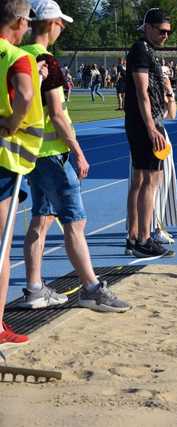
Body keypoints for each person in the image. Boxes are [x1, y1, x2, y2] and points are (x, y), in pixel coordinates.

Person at [19, 0, 130, 313]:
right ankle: (91, 288)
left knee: (41, 220)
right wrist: (78, 152)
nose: (63, 28)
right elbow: (56, 113)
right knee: (75, 221)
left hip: (32, 154)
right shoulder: (46, 62)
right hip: (54, 154)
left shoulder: (21, 57)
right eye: (60, 24)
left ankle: (35, 288)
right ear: (51, 24)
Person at [0, 0, 44, 349]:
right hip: (4, 158)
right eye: (27, 21)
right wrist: (12, 124)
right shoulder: (16, 56)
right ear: (17, 21)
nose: (29, 27)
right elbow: (26, 95)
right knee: (1, 247)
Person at [124, 8, 175, 258]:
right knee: (149, 180)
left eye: (168, 32)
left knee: (141, 180)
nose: (165, 36)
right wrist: (152, 127)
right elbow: (141, 91)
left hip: (144, 123)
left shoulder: (147, 50)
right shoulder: (142, 49)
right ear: (148, 27)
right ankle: (144, 238)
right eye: (161, 31)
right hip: (146, 124)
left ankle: (134, 236)